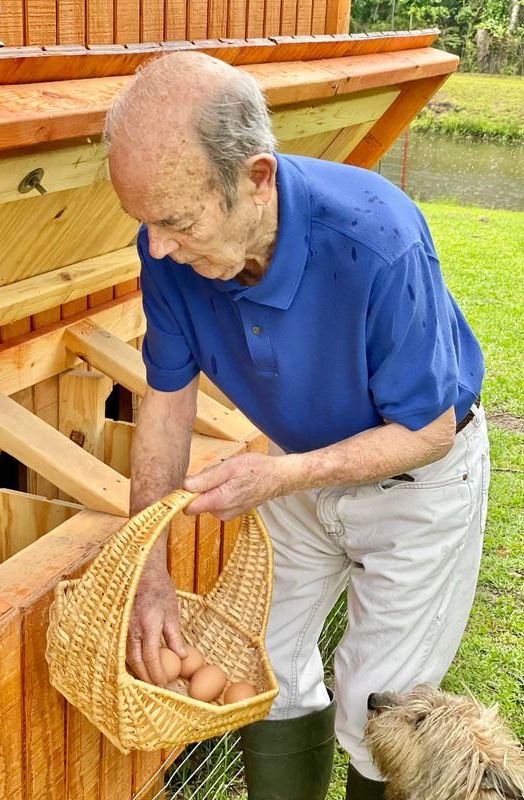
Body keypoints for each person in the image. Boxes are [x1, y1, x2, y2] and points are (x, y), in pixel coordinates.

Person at [103, 51, 489, 800]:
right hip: (295, 468)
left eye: (176, 221)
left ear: (256, 178)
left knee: (381, 705)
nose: (156, 247)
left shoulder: (379, 240)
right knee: (262, 669)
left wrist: (282, 475)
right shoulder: (169, 248)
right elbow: (167, 403)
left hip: (416, 480)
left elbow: (429, 429)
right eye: (145, 224)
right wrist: (147, 572)